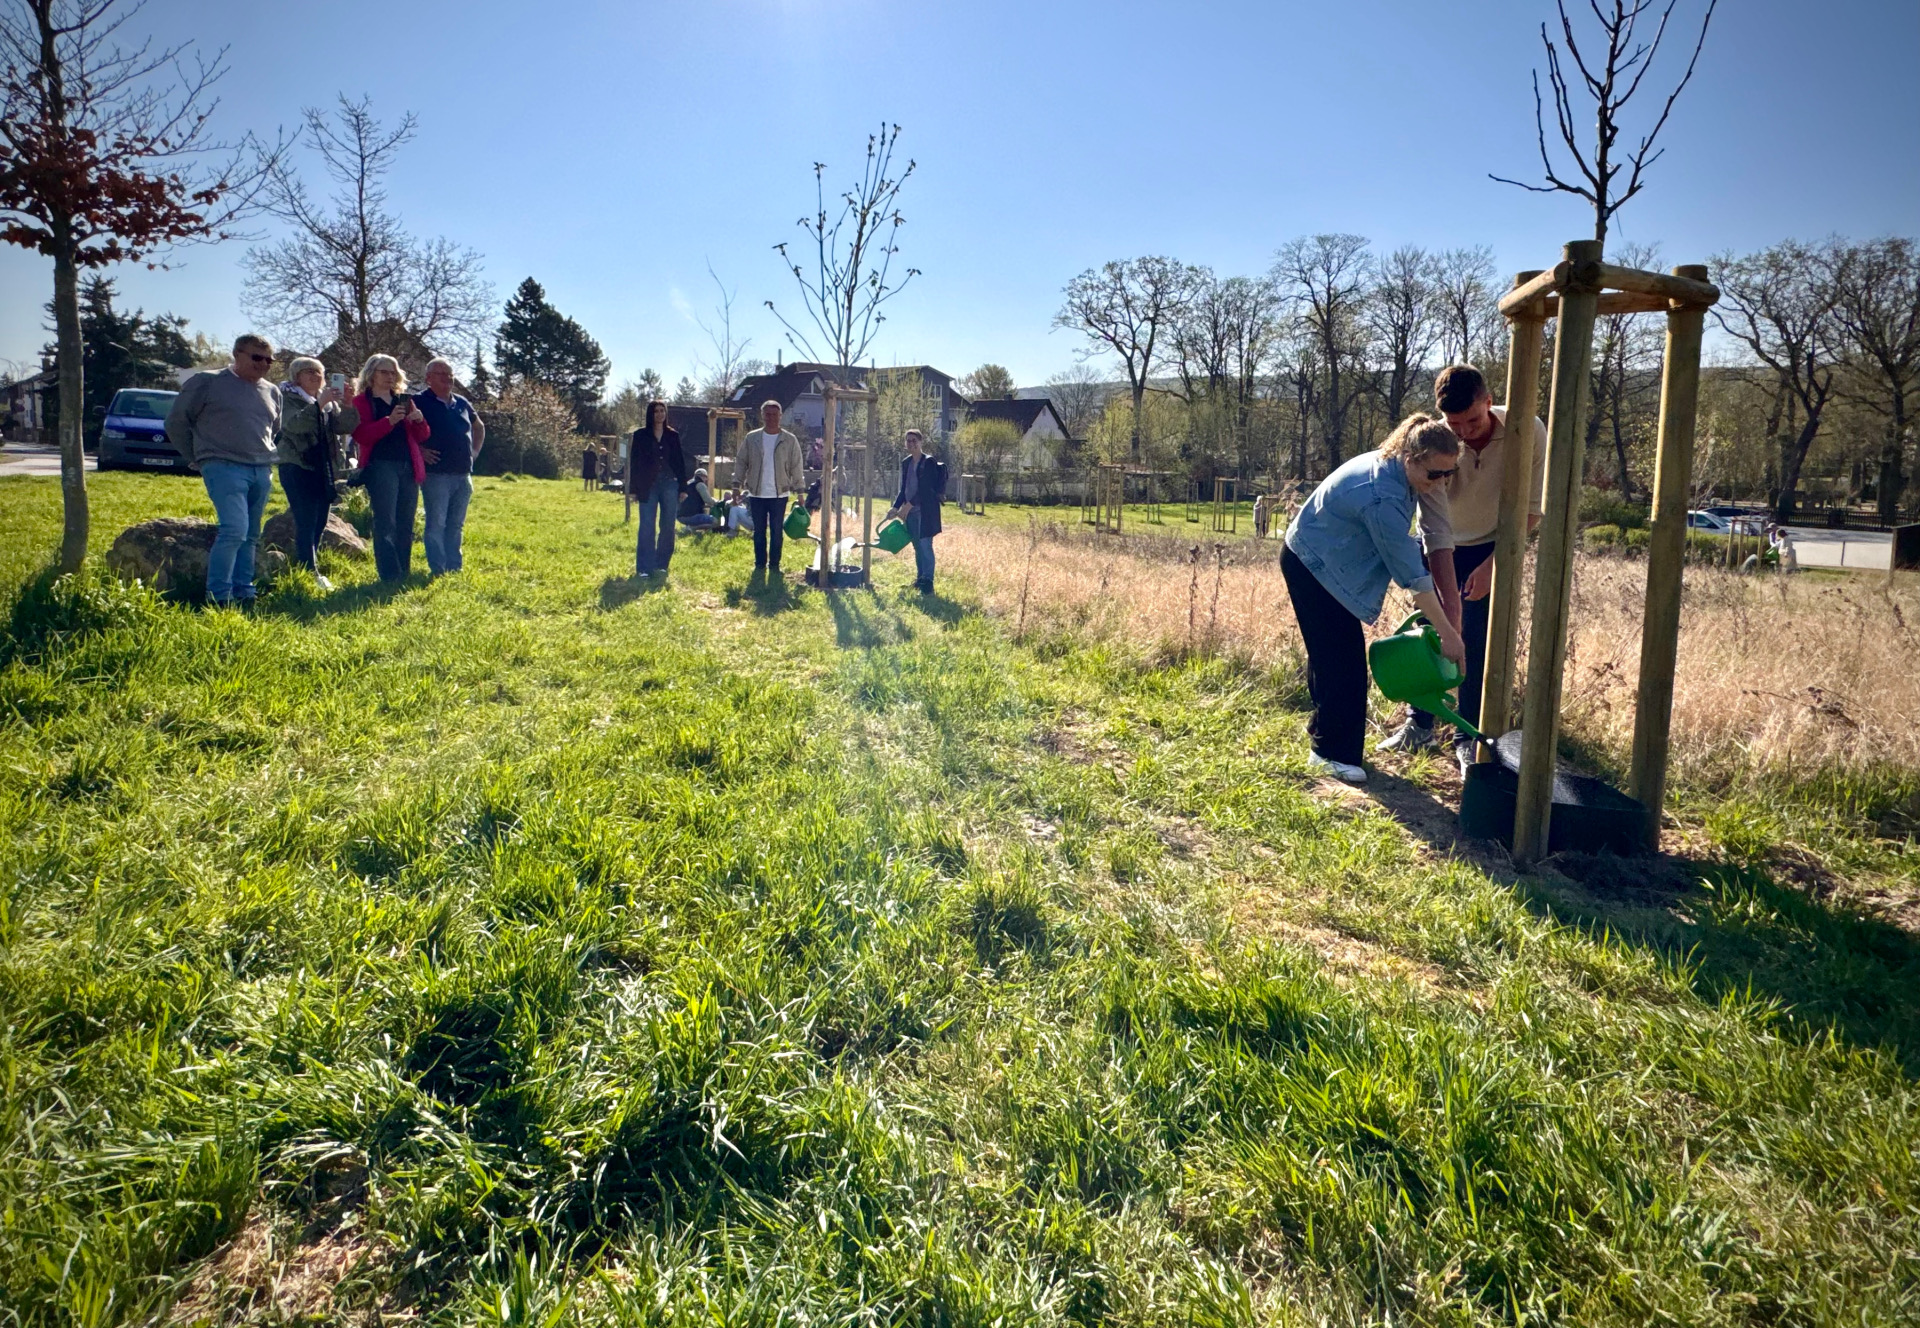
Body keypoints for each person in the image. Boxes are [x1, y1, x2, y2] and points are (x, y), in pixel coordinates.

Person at [1377, 365, 1548, 774]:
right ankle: (1419, 724)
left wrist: (1493, 566)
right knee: (1434, 635)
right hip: (1442, 545)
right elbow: (1432, 519)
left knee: (1476, 641)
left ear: (1489, 402)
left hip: (1494, 545)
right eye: (1454, 424)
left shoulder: (1528, 431)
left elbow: (1531, 511)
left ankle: (1467, 738)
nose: (1465, 432)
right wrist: (1444, 588)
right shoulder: (1437, 440)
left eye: (1472, 421)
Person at [1281, 414, 1467, 785]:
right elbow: (1413, 578)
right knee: (1344, 666)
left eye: (1450, 473)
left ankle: (1322, 731)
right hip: (1312, 565)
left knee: (1331, 656)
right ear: (1411, 458)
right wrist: (1448, 633)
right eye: (1435, 474)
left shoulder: (1399, 470)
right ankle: (1330, 754)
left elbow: (1428, 543)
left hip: (1323, 558)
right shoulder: (1382, 497)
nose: (1441, 483)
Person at [165, 334, 284, 608]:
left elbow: (274, 429)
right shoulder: (207, 382)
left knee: (251, 535)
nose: (263, 364)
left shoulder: (272, 391)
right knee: (234, 529)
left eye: (269, 360)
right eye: (257, 358)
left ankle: (244, 591)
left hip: (261, 469)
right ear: (237, 354)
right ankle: (218, 595)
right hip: (222, 466)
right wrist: (197, 457)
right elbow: (176, 422)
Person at [274, 357, 357, 590]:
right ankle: (309, 572)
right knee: (306, 520)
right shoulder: (286, 397)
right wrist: (319, 404)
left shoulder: (328, 403)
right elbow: (295, 425)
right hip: (297, 465)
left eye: (319, 372)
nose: (315, 376)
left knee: (320, 520)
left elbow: (343, 427)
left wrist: (348, 405)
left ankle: (310, 567)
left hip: (323, 467)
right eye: (308, 371)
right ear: (296, 377)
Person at [350, 354, 431, 583]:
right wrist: (389, 421)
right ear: (371, 374)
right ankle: (389, 574)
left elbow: (423, 435)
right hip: (381, 466)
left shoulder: (404, 400)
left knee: (406, 522)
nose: (389, 376)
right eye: (384, 372)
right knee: (386, 521)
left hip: (408, 465)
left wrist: (419, 420)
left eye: (393, 372)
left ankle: (404, 571)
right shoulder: (362, 402)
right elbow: (362, 436)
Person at [415, 357, 485, 577]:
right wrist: (419, 451)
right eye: (442, 374)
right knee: (436, 523)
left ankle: (454, 567)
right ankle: (438, 568)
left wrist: (474, 452)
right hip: (436, 475)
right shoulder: (418, 402)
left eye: (450, 375)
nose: (448, 379)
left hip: (463, 474)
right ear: (428, 378)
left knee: (456, 524)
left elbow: (479, 427)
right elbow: (405, 432)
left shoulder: (462, 402)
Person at [737, 400, 805, 576]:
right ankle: (759, 564)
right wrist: (736, 484)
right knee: (759, 531)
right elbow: (741, 461)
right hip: (756, 493)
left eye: (775, 414)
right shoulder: (752, 438)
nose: (771, 418)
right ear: (762, 415)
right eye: (768, 414)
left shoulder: (789, 440)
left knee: (776, 531)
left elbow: (796, 465)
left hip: (779, 494)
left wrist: (800, 491)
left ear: (780, 416)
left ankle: (774, 565)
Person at [630, 400, 689, 578]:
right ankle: (644, 568)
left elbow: (679, 462)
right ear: (651, 414)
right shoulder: (640, 435)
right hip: (648, 485)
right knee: (647, 525)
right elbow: (635, 462)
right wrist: (633, 489)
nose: (660, 414)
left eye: (662, 411)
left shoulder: (673, 435)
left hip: (670, 484)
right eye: (656, 411)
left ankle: (662, 564)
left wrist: (683, 487)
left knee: (668, 525)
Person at [886, 428, 947, 594]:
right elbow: (904, 489)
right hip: (911, 512)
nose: (911, 443)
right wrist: (895, 507)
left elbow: (926, 490)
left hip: (925, 512)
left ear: (921, 442)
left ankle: (928, 582)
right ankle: (920, 579)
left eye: (914, 440)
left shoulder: (928, 462)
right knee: (917, 546)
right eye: (908, 440)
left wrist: (908, 506)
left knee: (925, 545)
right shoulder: (906, 462)